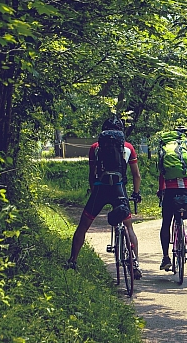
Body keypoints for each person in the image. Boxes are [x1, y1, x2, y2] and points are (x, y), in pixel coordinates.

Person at [67, 116, 143, 279]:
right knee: (128, 227)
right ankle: (134, 264)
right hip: (119, 189)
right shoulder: (128, 147)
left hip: (100, 190)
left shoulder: (95, 146)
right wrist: (136, 194)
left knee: (83, 225)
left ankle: (72, 260)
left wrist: (94, 189)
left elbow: (91, 173)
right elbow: (136, 175)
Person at [158, 125, 187, 271]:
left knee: (166, 223)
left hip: (170, 189)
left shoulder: (165, 151)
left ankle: (166, 258)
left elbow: (162, 174)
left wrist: (161, 190)